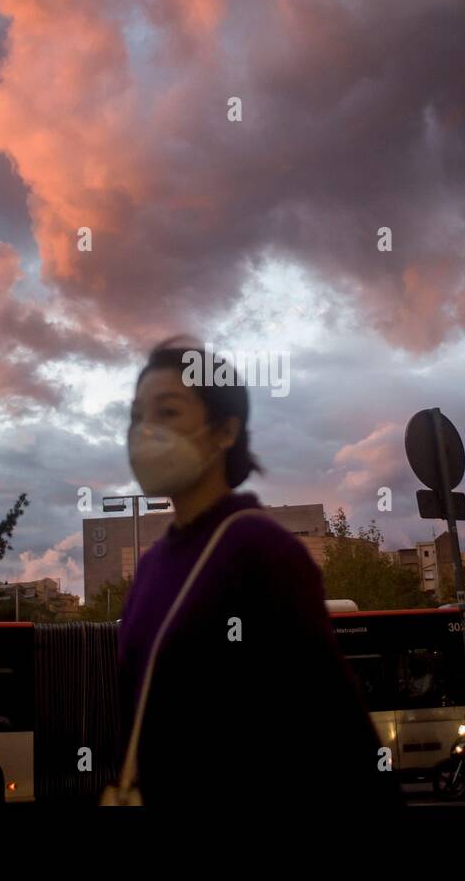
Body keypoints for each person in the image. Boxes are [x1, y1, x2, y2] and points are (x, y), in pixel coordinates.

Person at [114, 339, 400, 806]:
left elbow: (341, 733)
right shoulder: (151, 566)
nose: (144, 431)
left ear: (225, 430)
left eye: (167, 412)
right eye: (135, 415)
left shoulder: (262, 552)